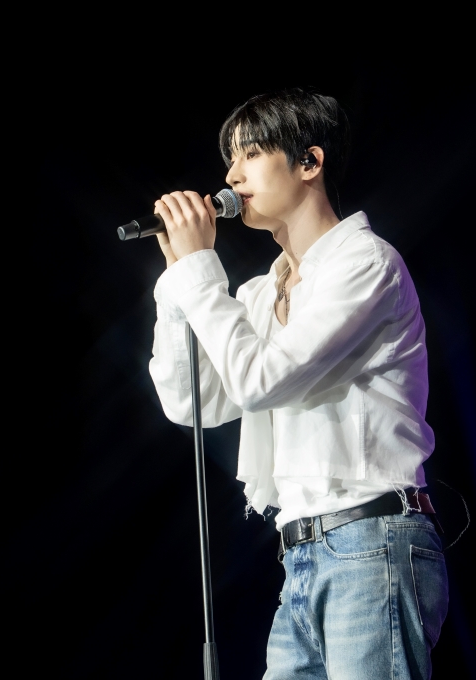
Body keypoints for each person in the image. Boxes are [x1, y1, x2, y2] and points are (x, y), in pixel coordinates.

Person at [147, 89, 448, 679]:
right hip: (302, 551)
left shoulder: (365, 264)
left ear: (309, 162)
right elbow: (194, 401)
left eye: (251, 154)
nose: (231, 176)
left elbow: (262, 380)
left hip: (372, 538)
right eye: (229, 159)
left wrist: (201, 274)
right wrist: (178, 283)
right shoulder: (260, 293)